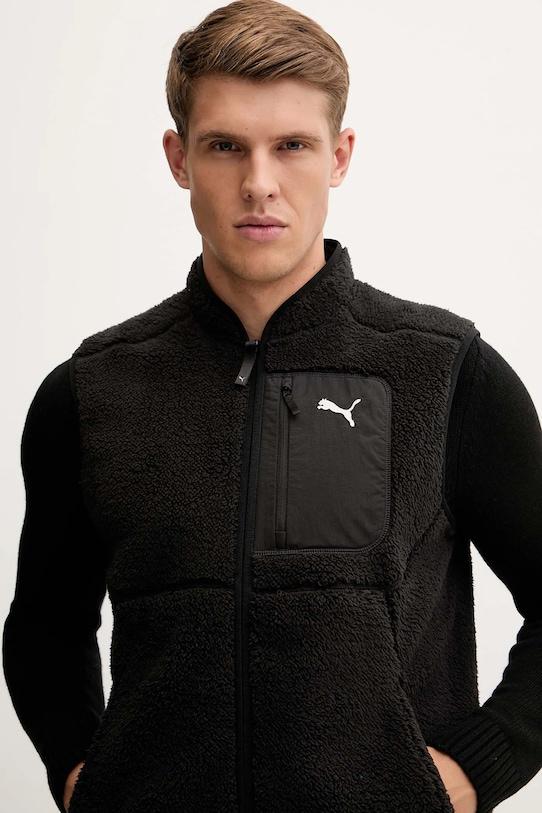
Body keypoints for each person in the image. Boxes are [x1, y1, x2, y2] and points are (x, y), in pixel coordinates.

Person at [3, 1, 542, 811]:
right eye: (225, 146)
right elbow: (45, 624)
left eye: (292, 145)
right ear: (179, 158)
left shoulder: (447, 374)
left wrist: (472, 771)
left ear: (339, 156)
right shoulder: (91, 392)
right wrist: (83, 773)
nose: (259, 183)